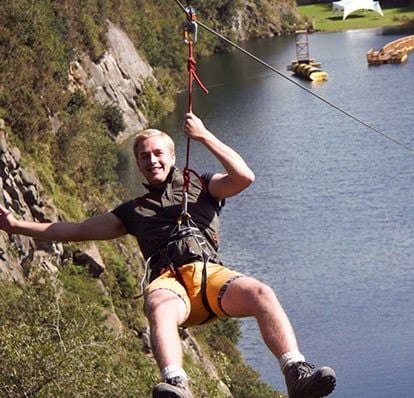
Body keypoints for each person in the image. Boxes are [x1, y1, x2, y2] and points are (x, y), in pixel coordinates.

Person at [0, 112, 336, 398]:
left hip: (209, 277)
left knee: (262, 292)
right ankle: (176, 382)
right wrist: (15, 225)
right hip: (172, 285)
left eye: (158, 153)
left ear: (173, 156)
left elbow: (243, 177)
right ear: (139, 165)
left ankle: (295, 371)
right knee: (157, 302)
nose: (152, 160)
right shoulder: (133, 211)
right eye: (145, 157)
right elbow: (74, 230)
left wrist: (203, 135)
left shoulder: (201, 186)